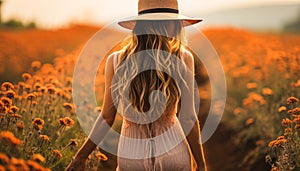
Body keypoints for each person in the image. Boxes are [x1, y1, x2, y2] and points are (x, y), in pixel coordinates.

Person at [66, 0, 207, 170]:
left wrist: (81, 157)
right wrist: (201, 163)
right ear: (172, 24)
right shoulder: (183, 57)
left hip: (131, 156)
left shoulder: (116, 60)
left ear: (139, 26)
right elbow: (188, 118)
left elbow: (107, 118)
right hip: (173, 152)